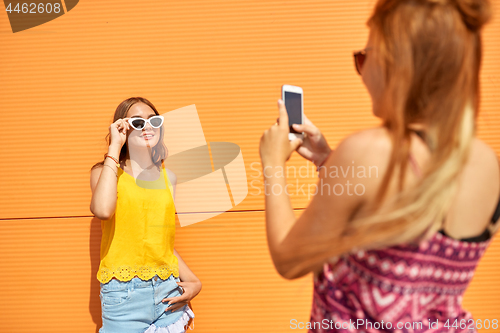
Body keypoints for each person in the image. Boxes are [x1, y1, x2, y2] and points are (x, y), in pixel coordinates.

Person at [259, 0, 499, 332]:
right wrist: (327, 160)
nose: (361, 72)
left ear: (395, 63)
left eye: (363, 57)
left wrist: (272, 163)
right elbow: (404, 221)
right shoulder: (488, 164)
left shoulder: (367, 152)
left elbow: (289, 259)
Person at [90, 97, 200, 333]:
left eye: (154, 121)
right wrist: (114, 147)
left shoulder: (168, 178)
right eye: (138, 122)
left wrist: (194, 281)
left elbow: (161, 242)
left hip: (168, 291)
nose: (148, 126)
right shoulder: (105, 172)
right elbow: (102, 210)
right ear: (123, 127)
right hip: (123, 296)